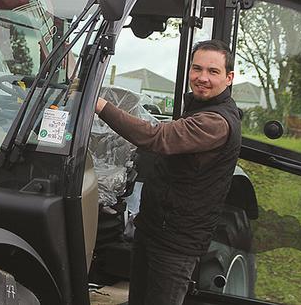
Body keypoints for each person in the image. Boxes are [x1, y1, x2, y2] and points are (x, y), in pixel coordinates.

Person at [95, 39, 242, 305]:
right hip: (153, 229)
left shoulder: (216, 122)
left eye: (213, 71)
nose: (202, 77)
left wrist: (99, 104)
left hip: (176, 244)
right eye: (197, 69)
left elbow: (157, 138)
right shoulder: (199, 107)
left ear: (229, 78)